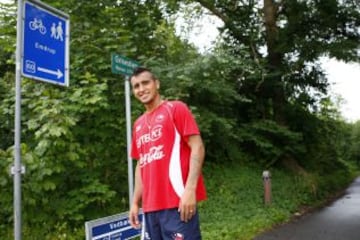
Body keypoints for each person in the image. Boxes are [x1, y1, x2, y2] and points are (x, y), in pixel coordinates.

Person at [128, 67, 207, 240]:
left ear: (157, 83)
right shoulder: (138, 124)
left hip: (178, 203)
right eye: (136, 86)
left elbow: (198, 147)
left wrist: (190, 190)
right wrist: (135, 202)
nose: (141, 89)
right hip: (150, 208)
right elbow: (141, 164)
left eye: (145, 83)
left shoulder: (175, 109)